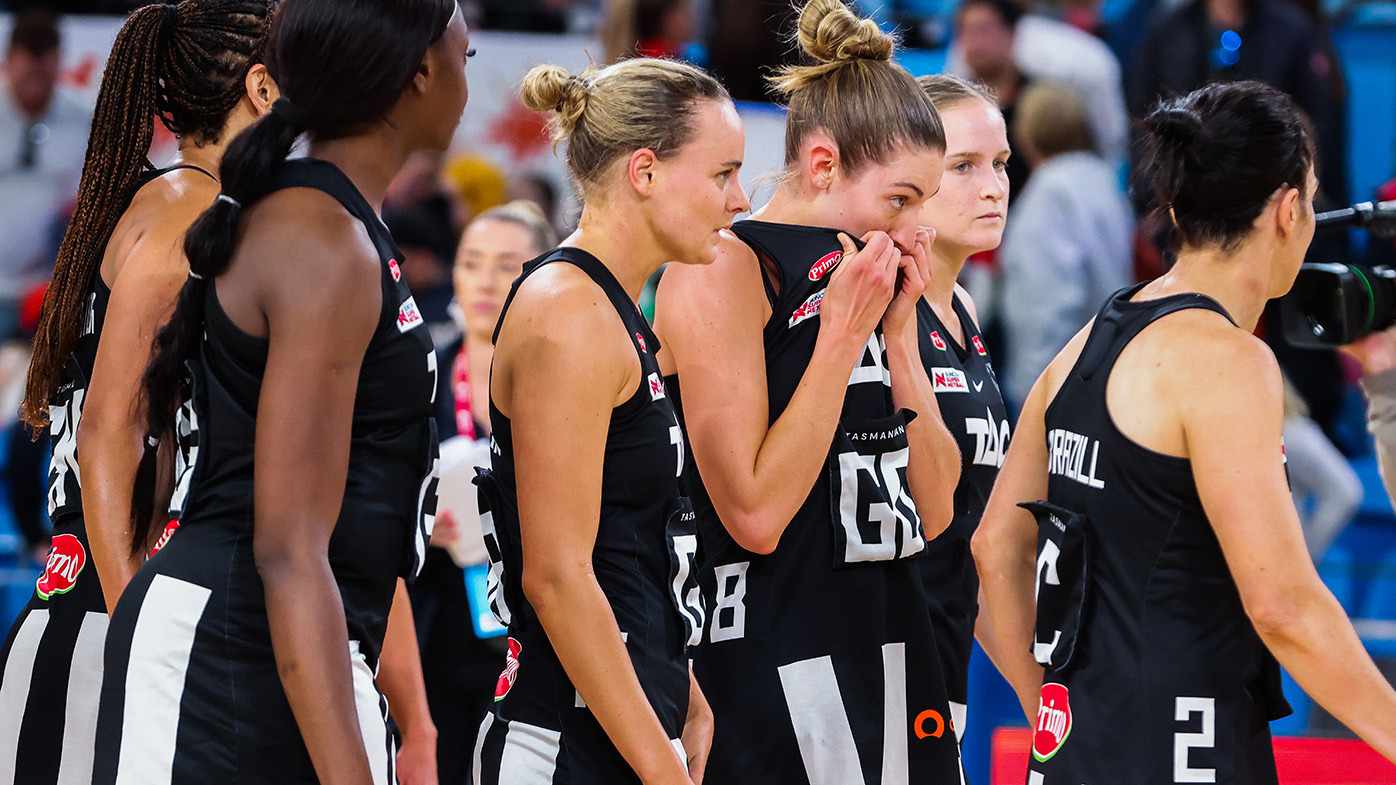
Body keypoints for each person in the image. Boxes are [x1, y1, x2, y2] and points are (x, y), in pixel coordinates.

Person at [973, 80, 1396, 784]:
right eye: (1313, 199)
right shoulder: (1228, 362)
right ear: (1288, 210)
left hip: (1077, 756)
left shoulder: (1093, 335)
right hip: (1183, 753)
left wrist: (1052, 713)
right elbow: (1284, 606)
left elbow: (993, 549)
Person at [90, 1, 470, 783]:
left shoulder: (335, 220)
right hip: (233, 642)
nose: (471, 71)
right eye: (466, 52)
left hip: (283, 640)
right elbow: (288, 547)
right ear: (422, 70)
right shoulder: (318, 236)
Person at [654, 0, 964, 781]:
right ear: (823, 165)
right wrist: (839, 338)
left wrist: (897, 337)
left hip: (891, 640)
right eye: (901, 199)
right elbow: (753, 514)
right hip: (771, 648)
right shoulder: (726, 265)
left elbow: (934, 510)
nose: (914, 227)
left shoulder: (877, 278)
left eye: (924, 202)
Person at [0, 4, 273, 784]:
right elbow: (109, 430)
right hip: (96, 625)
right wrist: (133, 625)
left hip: (100, 616)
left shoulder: (190, 201)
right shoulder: (187, 212)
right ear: (260, 87)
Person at [471, 54, 746, 785]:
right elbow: (557, 576)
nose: (740, 198)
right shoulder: (568, 310)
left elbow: (624, 544)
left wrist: (683, 690)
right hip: (563, 741)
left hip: (618, 730)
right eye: (723, 174)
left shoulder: (613, 310)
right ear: (646, 171)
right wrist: (663, 769)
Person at [412, 200, 554, 785]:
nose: (485, 281)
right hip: (437, 618)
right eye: (471, 263)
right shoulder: (421, 374)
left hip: (534, 620)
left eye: (506, 264)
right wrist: (418, 519)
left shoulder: (559, 378)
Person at [912, 73, 1013, 748]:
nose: (994, 186)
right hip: (871, 666)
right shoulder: (870, 309)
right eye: (964, 167)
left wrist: (1049, 703)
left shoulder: (966, 309)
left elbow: (976, 537)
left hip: (945, 667)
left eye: (1002, 164)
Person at [998, 82, 1133, 408]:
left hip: (1062, 379)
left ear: (1027, 134)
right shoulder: (1101, 178)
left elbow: (1045, 302)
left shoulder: (1052, 192)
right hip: (1107, 361)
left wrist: (1033, 389)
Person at [0, 9, 90, 339]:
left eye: (44, 76)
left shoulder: (83, 117)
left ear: (58, 63)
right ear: (8, 61)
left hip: (49, 293)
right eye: (27, 75)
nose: (35, 86)